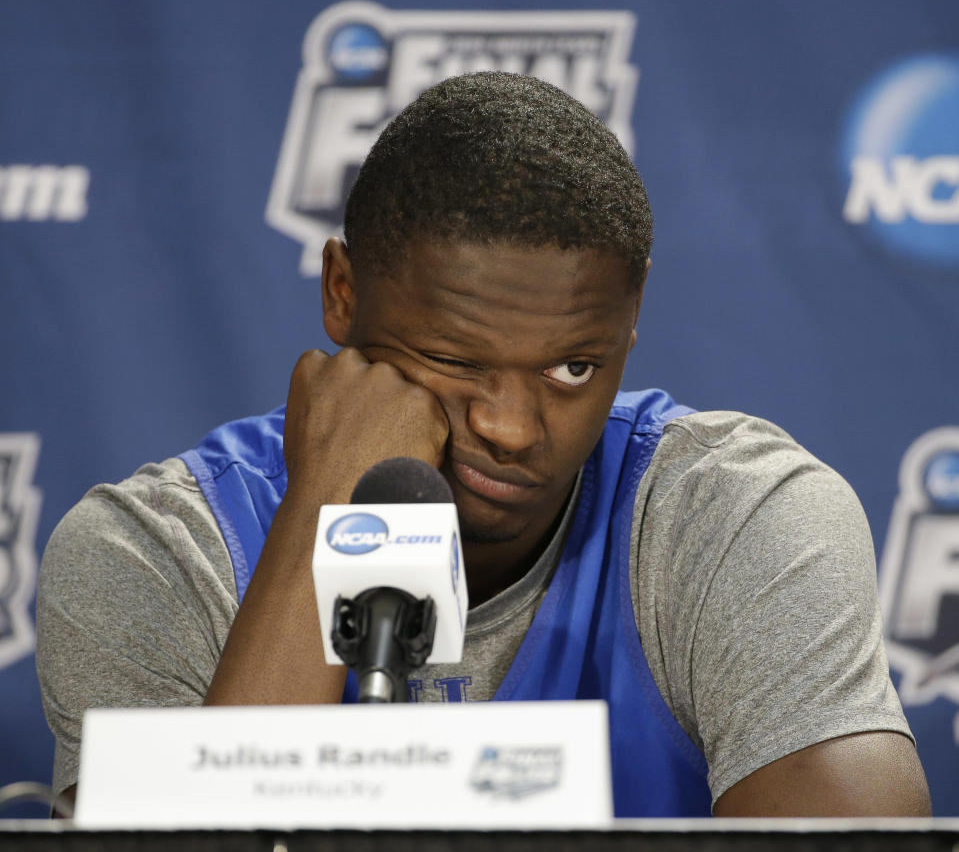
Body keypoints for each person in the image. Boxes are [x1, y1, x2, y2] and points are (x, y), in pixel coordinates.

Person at [37, 71, 930, 817]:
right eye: (453, 360)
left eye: (573, 369)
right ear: (342, 293)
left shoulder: (732, 516)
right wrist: (328, 508)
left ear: (633, 316)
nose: (511, 428)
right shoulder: (156, 550)